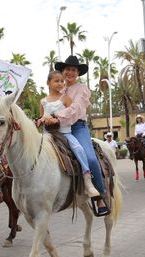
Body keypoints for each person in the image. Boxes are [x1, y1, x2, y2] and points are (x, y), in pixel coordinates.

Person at [47, 55, 109, 216]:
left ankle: (99, 196)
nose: (70, 72)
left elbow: (76, 110)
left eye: (74, 70)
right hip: (56, 127)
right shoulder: (58, 89)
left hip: (77, 127)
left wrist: (55, 116)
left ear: (78, 73)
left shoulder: (82, 89)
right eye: (68, 69)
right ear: (63, 70)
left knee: (90, 158)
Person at [38, 70, 100, 197]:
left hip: (65, 132)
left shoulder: (66, 98)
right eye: (57, 81)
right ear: (48, 83)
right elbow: (41, 116)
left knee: (78, 148)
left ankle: (88, 180)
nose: (60, 83)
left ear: (78, 72)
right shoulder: (43, 101)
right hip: (48, 134)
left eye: (61, 81)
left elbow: (73, 112)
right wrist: (40, 120)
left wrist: (55, 117)